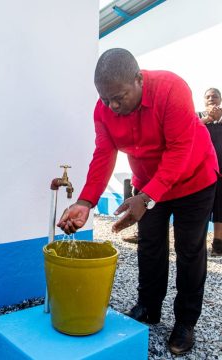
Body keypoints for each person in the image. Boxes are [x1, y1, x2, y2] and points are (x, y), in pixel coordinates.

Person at [57, 48, 218, 355]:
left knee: (189, 248)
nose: (113, 106)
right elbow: (104, 155)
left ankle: (185, 322)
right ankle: (148, 307)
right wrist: (85, 202)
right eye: (105, 99)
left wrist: (146, 197)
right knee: (150, 244)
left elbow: (180, 150)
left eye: (119, 96)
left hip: (193, 178)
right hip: (148, 185)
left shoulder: (171, 89)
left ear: (139, 80)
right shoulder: (103, 110)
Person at [197, 88, 222, 256]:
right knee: (200, 209)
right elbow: (188, 130)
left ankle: (218, 245)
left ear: (220, 100)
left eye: (215, 96)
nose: (211, 98)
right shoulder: (197, 117)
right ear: (204, 100)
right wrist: (208, 118)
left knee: (220, 208)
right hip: (201, 172)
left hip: (221, 172)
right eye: (208, 96)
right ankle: (198, 245)